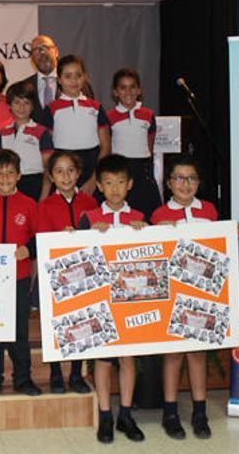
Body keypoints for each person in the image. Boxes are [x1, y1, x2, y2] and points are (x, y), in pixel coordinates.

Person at [150, 154, 217, 440]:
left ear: (198, 182)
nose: (185, 184)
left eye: (191, 178)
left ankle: (200, 412)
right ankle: (171, 412)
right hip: (172, 293)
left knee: (197, 353)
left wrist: (231, 232)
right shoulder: (158, 215)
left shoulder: (211, 211)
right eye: (179, 178)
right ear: (169, 183)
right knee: (173, 353)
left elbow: (217, 248)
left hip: (201, 293)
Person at [84, 154, 147, 444]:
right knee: (103, 361)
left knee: (127, 359)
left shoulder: (139, 219)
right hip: (101, 300)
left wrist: (144, 232)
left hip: (131, 300)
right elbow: (76, 253)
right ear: (99, 185)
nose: (115, 188)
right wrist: (81, 234)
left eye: (120, 182)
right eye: (108, 183)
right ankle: (105, 415)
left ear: (130, 184)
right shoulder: (90, 218)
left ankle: (126, 414)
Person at [0, 149, 41, 397]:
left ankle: (23, 378)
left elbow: (38, 238)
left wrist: (28, 249)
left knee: (19, 331)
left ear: (19, 175)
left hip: (19, 278)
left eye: (10, 174)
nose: (5, 179)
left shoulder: (29, 205)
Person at [36, 150, 97, 394]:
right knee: (55, 324)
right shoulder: (45, 206)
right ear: (51, 176)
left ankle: (75, 373)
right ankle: (55, 374)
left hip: (82, 277)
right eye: (59, 171)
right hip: (55, 276)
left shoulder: (90, 204)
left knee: (79, 323)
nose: (66, 176)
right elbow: (42, 241)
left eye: (70, 170)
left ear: (79, 173)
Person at [47, 54, 110, 196]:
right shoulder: (51, 109)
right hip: (63, 171)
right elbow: (47, 150)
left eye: (78, 75)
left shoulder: (96, 107)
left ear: (85, 77)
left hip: (91, 171)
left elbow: (105, 147)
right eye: (68, 76)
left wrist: (94, 180)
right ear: (59, 80)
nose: (74, 80)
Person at [106, 67, 162, 216]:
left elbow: (149, 145)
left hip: (143, 170)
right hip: (121, 170)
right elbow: (108, 145)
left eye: (132, 87)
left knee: (149, 214)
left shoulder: (148, 115)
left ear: (139, 90)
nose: (128, 92)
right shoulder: (109, 116)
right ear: (115, 92)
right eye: (123, 88)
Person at [0, 81, 53, 202]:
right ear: (9, 105)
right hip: (8, 185)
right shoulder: (2, 133)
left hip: (34, 186)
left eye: (26, 103)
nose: (21, 107)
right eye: (17, 102)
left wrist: (43, 198)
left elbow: (48, 170)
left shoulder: (41, 132)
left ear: (33, 106)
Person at [13, 35, 58, 126]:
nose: (42, 52)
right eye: (36, 50)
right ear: (32, 57)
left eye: (46, 47)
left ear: (56, 52)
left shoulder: (74, 83)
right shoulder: (24, 86)